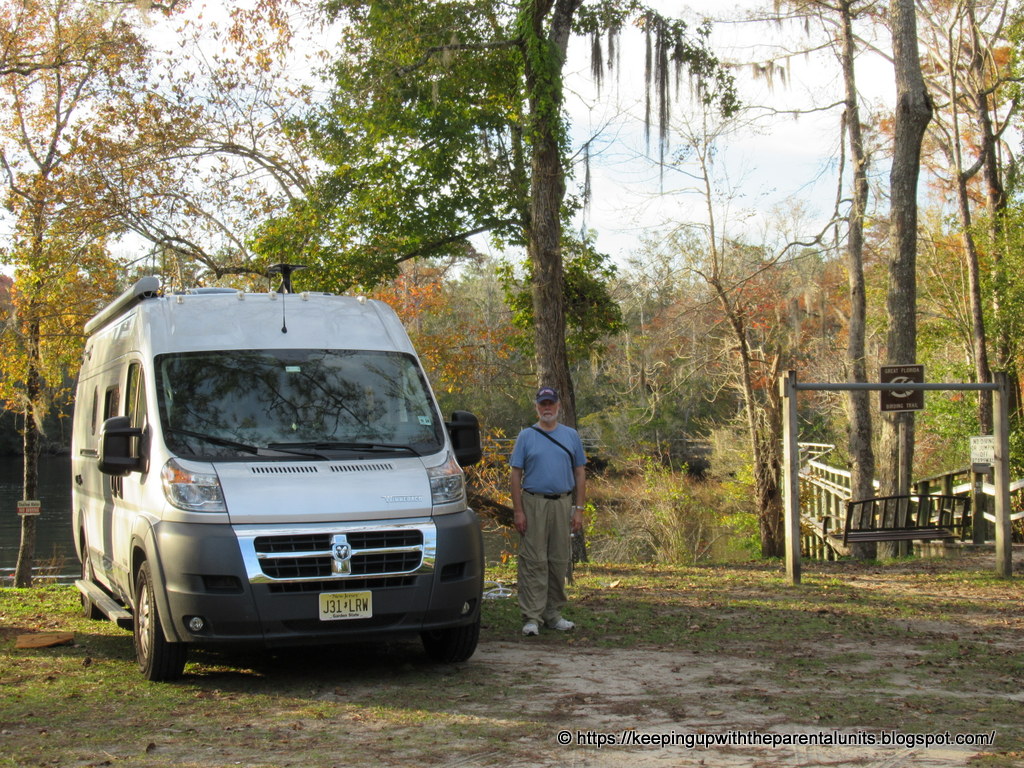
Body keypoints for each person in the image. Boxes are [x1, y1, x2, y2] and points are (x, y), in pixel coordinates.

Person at [510, 386, 587, 637]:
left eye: (550, 403)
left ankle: (553, 614)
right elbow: (515, 474)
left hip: (563, 502)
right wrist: (518, 511)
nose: (547, 408)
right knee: (533, 560)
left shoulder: (571, 435)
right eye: (542, 404)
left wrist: (579, 510)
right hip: (533, 502)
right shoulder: (526, 437)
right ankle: (532, 617)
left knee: (558, 559)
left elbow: (580, 472)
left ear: (558, 406)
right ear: (536, 407)